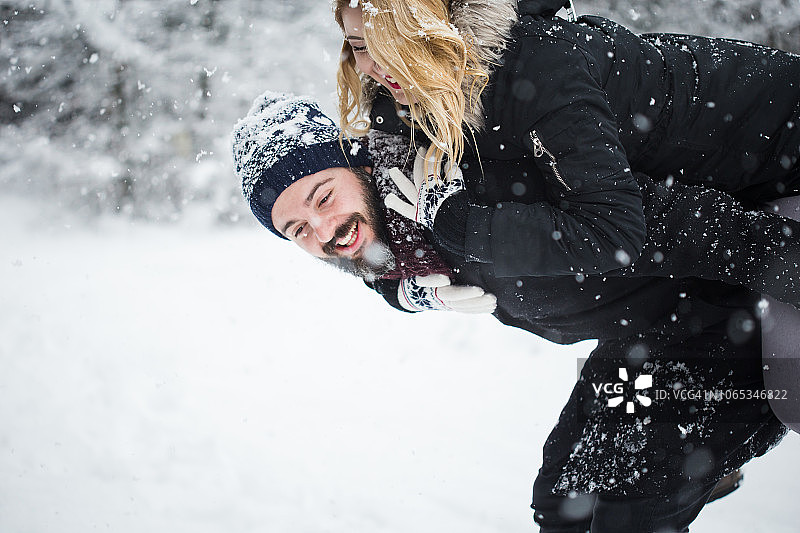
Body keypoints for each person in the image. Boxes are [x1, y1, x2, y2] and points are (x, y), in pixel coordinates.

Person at [231, 91, 793, 532]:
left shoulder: (464, 177)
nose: (325, 232)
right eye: (297, 230)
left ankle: (697, 464)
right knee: (562, 505)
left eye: (323, 197)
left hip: (724, 313)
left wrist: (782, 256)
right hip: (642, 338)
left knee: (631, 515)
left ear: (356, 164)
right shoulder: (388, 228)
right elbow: (376, 267)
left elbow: (652, 220)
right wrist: (412, 294)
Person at [332, 0, 800, 296]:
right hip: (730, 189)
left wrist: (460, 223)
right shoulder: (406, 100)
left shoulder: (535, 70)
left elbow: (613, 235)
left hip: (779, 125)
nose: (372, 65)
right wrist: (409, 290)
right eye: (357, 45)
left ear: (431, 28)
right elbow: (388, 218)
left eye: (390, 42)